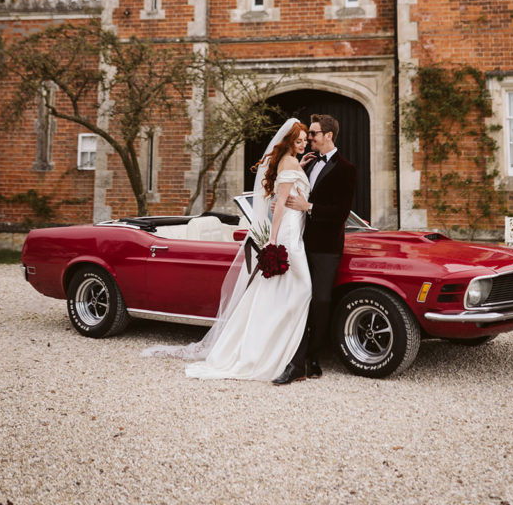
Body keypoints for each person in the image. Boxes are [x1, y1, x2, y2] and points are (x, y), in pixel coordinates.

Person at [142, 118, 313, 381]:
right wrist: (273, 239)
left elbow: (288, 188)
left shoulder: (291, 163)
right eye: (299, 140)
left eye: (305, 140)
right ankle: (276, 351)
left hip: (296, 230)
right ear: (290, 141)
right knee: (302, 290)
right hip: (288, 235)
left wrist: (299, 169)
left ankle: (280, 348)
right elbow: (279, 205)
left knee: (280, 293)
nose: (303, 144)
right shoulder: (288, 163)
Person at [272, 113, 357, 385]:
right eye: (309, 134)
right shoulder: (305, 165)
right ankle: (297, 361)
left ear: (328, 136)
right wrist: (279, 204)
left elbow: (342, 212)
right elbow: (291, 193)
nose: (309, 138)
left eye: (313, 134)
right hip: (298, 242)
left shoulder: (346, 169)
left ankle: (312, 356)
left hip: (326, 247)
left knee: (320, 301)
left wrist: (309, 207)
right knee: (299, 300)